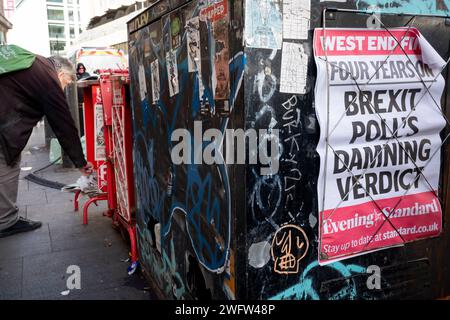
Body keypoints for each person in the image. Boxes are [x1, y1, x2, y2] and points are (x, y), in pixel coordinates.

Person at [0, 52, 93, 238]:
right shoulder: (48, 77)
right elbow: (64, 125)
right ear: (61, 73)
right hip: (3, 127)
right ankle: (6, 221)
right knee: (7, 162)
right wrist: (81, 163)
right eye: (66, 82)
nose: (64, 87)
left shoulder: (35, 62)